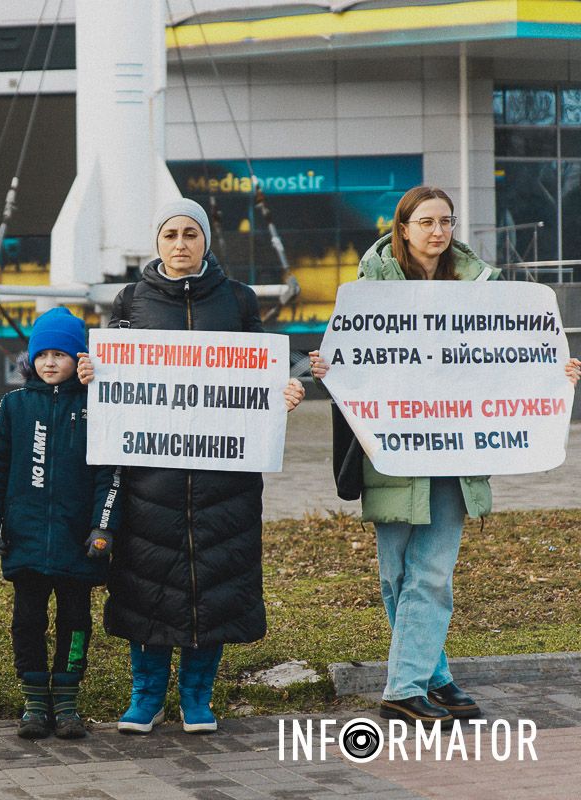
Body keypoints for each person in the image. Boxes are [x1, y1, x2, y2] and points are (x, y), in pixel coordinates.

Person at [310, 185, 581, 724]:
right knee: (397, 577)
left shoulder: (483, 290)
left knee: (431, 573)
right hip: (393, 454)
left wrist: (557, 373)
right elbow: (349, 361)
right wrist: (327, 367)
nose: (439, 231)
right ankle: (436, 676)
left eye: (447, 221)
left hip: (456, 454)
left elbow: (510, 361)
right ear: (403, 227)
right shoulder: (367, 293)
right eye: (427, 221)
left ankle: (403, 688)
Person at [76, 198, 305, 735]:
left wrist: (287, 389)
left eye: (191, 234)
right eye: (171, 234)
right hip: (149, 478)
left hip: (224, 478)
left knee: (217, 581)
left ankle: (197, 696)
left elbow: (263, 368)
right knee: (146, 582)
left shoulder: (239, 300)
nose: (181, 243)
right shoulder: (130, 300)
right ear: (158, 243)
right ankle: (147, 695)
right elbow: (113, 372)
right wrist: (92, 371)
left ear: (205, 241)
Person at [0, 307, 121, 740]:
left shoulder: (96, 407)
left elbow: (109, 474)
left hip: (80, 542)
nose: (50, 363)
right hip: (27, 541)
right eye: (42, 354)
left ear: (80, 359)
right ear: (31, 360)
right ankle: (35, 703)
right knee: (28, 620)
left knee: (76, 621)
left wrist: (103, 527)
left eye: (61, 354)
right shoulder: (15, 406)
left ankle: (68, 703)